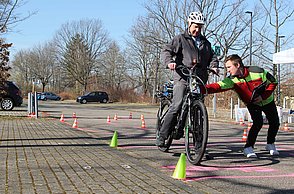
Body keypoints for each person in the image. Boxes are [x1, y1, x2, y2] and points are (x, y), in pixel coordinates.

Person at [156, 11, 219, 146]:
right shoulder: (180, 39)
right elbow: (166, 50)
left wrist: (214, 66)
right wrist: (169, 62)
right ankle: (162, 135)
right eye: (195, 26)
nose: (197, 30)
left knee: (198, 112)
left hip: (198, 78)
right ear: (189, 24)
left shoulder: (205, 43)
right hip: (182, 77)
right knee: (177, 105)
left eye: (200, 27)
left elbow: (212, 57)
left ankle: (198, 146)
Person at [204, 54, 280, 158]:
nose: (228, 70)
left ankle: (270, 144)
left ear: (238, 65)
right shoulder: (232, 80)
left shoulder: (258, 71)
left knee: (275, 122)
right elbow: (217, 86)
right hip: (252, 103)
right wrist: (201, 88)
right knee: (258, 123)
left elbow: (273, 82)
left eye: (229, 67)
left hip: (267, 101)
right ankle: (248, 147)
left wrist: (263, 96)